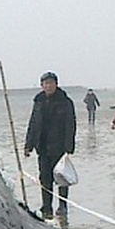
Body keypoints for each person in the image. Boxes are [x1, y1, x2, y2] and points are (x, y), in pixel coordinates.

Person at [23, 72, 77, 219]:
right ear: (42, 85)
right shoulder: (38, 101)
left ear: (56, 84)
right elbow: (33, 123)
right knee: (44, 178)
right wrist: (29, 145)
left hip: (59, 146)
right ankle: (46, 206)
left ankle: (63, 205)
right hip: (42, 146)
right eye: (45, 83)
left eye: (51, 83)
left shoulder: (65, 102)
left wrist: (69, 147)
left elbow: (70, 125)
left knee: (61, 177)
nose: (48, 86)